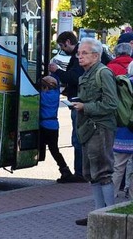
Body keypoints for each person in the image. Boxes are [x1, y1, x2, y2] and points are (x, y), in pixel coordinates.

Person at [73, 37, 119, 226]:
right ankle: (98, 214)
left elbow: (111, 104)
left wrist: (85, 107)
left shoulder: (103, 73)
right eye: (79, 53)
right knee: (90, 172)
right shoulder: (86, 74)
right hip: (88, 128)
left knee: (102, 171)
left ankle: (109, 215)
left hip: (100, 128)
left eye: (84, 53)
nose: (79, 56)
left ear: (96, 55)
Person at [49, 31, 85, 179]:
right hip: (76, 100)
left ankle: (80, 172)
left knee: (78, 139)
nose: (62, 49)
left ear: (69, 42)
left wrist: (57, 71)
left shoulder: (78, 57)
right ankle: (81, 171)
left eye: (62, 46)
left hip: (78, 102)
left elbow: (74, 77)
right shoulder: (76, 56)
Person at [108, 42, 133, 198]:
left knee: (118, 166)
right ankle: (131, 198)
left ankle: (110, 198)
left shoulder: (113, 71)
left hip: (122, 128)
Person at [39, 75, 75, 183]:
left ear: (45, 87)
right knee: (54, 150)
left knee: (40, 144)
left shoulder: (42, 96)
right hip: (54, 125)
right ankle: (64, 169)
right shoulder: (55, 94)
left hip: (44, 125)